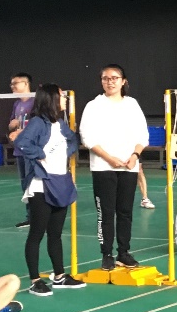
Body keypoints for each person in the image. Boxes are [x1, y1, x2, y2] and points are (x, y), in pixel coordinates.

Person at [14, 84, 86, 296]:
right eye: (61, 96)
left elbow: (73, 139)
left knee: (56, 234)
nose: (64, 99)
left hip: (60, 182)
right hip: (41, 185)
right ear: (51, 99)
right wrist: (41, 154)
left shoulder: (60, 124)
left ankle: (59, 276)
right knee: (36, 234)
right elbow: (21, 143)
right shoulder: (38, 122)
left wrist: (66, 153)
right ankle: (35, 280)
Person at [79, 64, 149, 271]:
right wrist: (109, 158)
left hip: (129, 167)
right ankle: (107, 254)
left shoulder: (132, 104)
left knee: (125, 212)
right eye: (105, 78)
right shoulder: (94, 106)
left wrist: (135, 155)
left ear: (123, 81)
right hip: (103, 167)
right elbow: (87, 137)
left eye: (114, 78)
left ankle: (124, 252)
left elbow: (142, 134)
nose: (110, 82)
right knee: (106, 213)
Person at [8, 72, 35, 228]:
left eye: (15, 83)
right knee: (25, 185)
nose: (12, 87)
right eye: (11, 84)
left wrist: (21, 132)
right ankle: (30, 217)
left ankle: (39, 217)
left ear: (26, 84)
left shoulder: (36, 102)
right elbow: (12, 124)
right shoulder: (17, 104)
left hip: (32, 150)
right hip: (19, 150)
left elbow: (38, 124)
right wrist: (12, 125)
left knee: (34, 184)